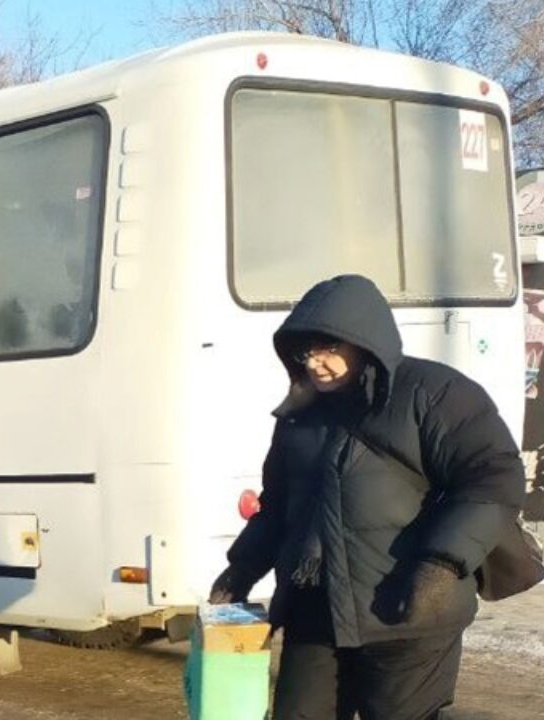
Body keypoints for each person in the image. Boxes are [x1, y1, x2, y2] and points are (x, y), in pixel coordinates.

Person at [209, 274, 525, 720]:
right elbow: (280, 503)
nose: (316, 364)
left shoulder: (434, 394)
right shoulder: (301, 412)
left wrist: (440, 565)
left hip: (406, 612)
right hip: (315, 611)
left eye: (329, 349)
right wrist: (242, 567)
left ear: (364, 341)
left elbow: (494, 479)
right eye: (306, 352)